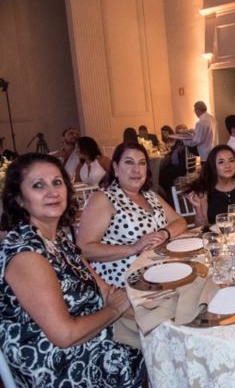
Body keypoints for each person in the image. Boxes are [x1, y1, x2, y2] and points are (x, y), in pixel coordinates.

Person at [0, 153, 145, 387]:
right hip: (61, 367)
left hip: (93, 337)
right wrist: (115, 310)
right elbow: (65, 335)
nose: (52, 192)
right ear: (19, 198)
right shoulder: (26, 254)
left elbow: (105, 290)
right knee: (162, 357)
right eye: (38, 185)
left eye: (57, 182)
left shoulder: (57, 239)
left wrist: (145, 312)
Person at [77, 142, 187, 288]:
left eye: (142, 163)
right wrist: (133, 248)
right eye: (129, 162)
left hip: (159, 275)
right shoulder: (103, 198)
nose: (137, 170)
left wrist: (164, 233)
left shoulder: (150, 195)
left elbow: (180, 221)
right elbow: (84, 249)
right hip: (125, 283)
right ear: (115, 168)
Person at [185, 145, 235, 227]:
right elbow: (201, 228)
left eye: (231, 160)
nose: (228, 165)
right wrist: (198, 208)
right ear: (213, 166)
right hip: (216, 234)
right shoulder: (205, 191)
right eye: (221, 162)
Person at [158, 125, 189, 199]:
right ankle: (170, 192)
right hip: (176, 165)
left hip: (181, 168)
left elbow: (179, 156)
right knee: (160, 172)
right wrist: (169, 153)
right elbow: (173, 151)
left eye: (179, 133)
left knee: (163, 175)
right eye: (177, 132)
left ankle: (171, 195)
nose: (177, 134)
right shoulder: (179, 142)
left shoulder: (187, 143)